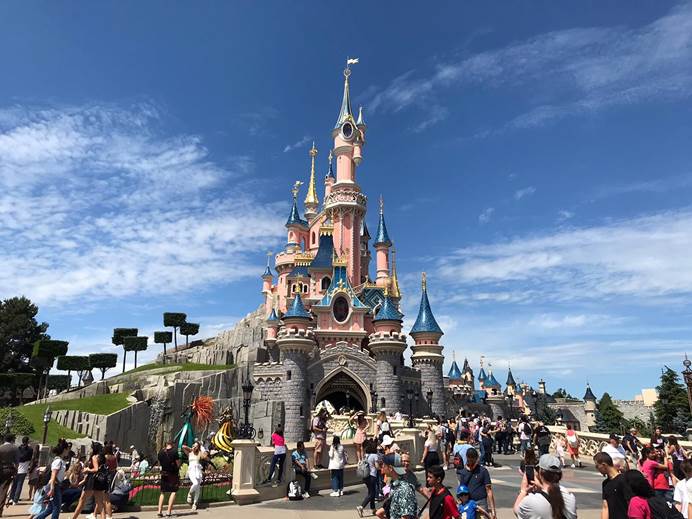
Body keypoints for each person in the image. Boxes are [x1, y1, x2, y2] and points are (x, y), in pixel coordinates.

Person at [513, 454, 577, 519]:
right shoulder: (570, 497)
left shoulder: (531, 501)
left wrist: (523, 491)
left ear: (540, 472)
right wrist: (542, 487)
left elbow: (517, 511)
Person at [71, 442, 109, 519]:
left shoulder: (94, 457)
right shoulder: (103, 458)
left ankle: (73, 518)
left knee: (82, 501)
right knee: (100, 504)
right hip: (99, 481)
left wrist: (87, 469)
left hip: (92, 481)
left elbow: (96, 469)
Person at [456, 448, 497, 518]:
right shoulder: (463, 472)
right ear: (467, 457)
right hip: (467, 503)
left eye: (473, 458)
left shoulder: (483, 471)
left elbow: (489, 490)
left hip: (481, 502)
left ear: (476, 458)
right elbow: (461, 489)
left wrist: (493, 510)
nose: (471, 460)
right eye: (469, 458)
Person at [35, 440, 69, 519]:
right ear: (64, 450)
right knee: (57, 508)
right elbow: (53, 476)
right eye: (67, 449)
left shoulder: (60, 461)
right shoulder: (58, 461)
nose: (68, 451)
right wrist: (52, 489)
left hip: (56, 486)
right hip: (55, 486)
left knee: (50, 509)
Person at [378, 453, 417, 519]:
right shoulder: (394, 486)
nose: (382, 468)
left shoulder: (404, 489)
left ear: (390, 468)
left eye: (383, 465)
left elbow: (406, 517)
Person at [594, 452, 629, 519]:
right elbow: (605, 507)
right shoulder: (605, 483)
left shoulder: (623, 479)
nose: (597, 469)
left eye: (597, 466)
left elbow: (631, 503)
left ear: (604, 465)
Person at [156, 440, 180, 518]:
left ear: (166, 444)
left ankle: (159, 512)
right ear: (172, 444)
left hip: (164, 473)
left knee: (162, 492)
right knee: (173, 491)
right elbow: (178, 463)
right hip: (173, 474)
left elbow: (160, 461)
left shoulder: (161, 452)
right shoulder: (174, 452)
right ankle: (168, 512)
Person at [357, 440, 380, 517]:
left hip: (366, 476)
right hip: (372, 476)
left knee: (371, 492)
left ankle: (373, 509)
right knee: (372, 493)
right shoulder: (375, 456)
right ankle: (361, 507)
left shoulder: (366, 455)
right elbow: (377, 466)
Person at [182, 441, 206, 510]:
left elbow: (205, 456)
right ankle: (189, 494)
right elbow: (183, 446)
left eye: (196, 446)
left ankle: (195, 503)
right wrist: (191, 448)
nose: (195, 447)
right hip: (191, 471)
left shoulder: (199, 453)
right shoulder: (189, 453)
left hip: (198, 472)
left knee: (198, 488)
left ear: (198, 448)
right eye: (194, 446)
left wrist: (202, 448)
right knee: (195, 483)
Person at [9, 436, 32, 505]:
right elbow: (30, 459)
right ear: (27, 441)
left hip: (16, 468)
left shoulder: (18, 448)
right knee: (19, 485)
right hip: (24, 469)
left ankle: (11, 498)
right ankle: (15, 500)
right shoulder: (30, 449)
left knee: (14, 485)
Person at [0, 433, 18, 516]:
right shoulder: (14, 448)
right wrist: (16, 471)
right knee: (4, 489)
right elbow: (17, 462)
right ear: (12, 440)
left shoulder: (1, 447)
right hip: (8, 469)